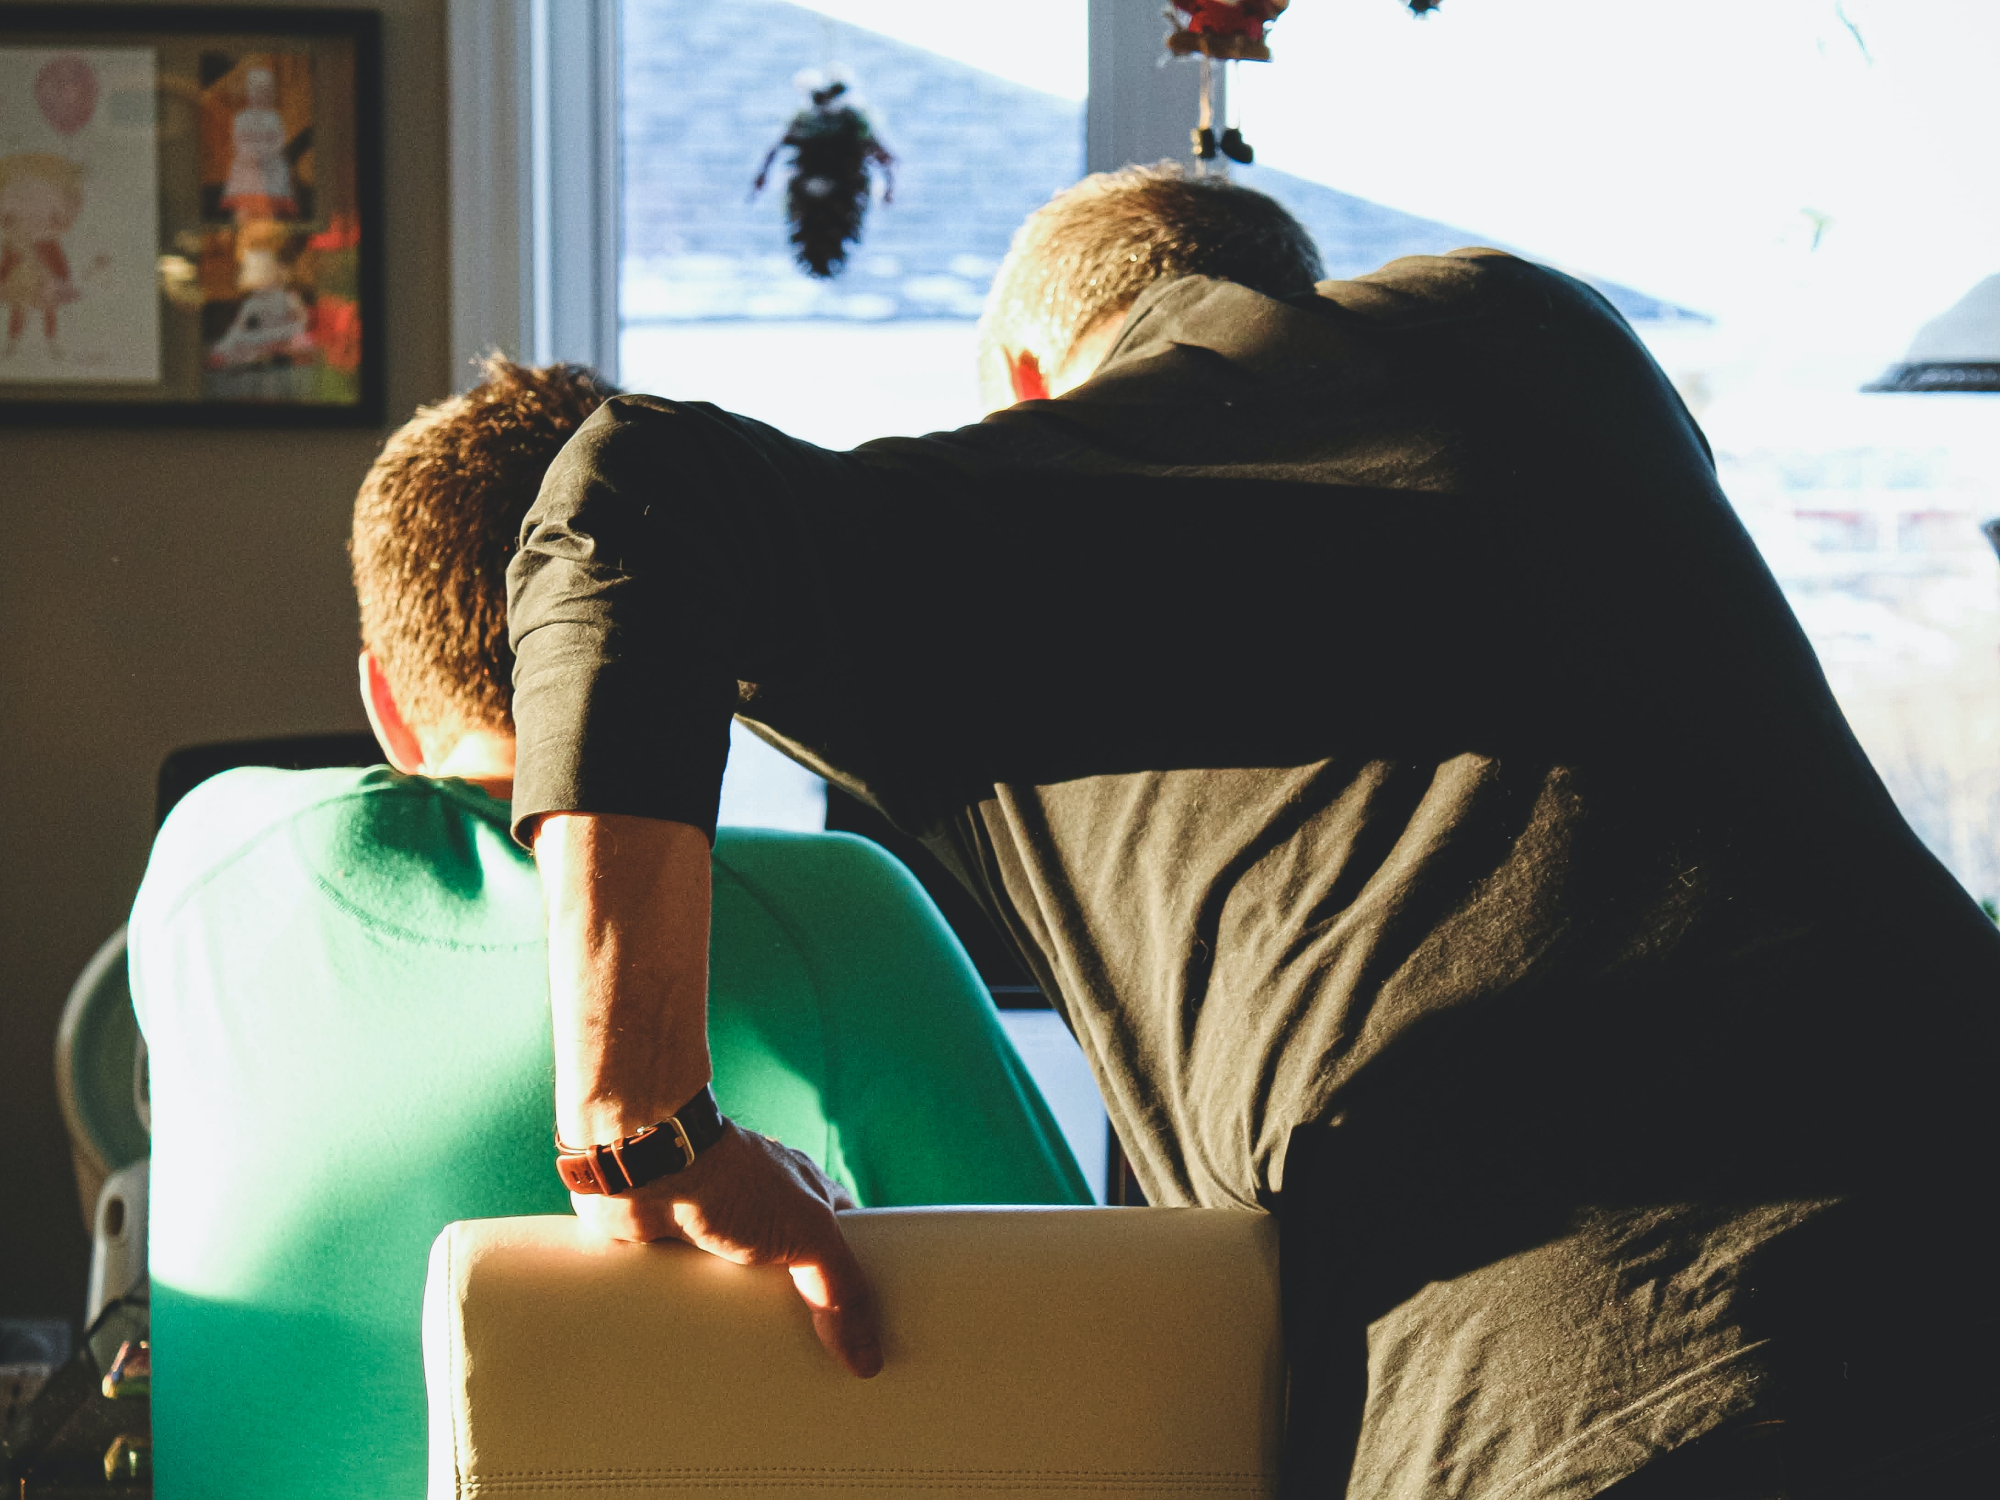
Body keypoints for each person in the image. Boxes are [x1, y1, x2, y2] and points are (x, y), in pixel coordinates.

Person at [508, 166, 2000, 1498]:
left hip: (1608, 1371)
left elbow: (633, 493)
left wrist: (641, 1125)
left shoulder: (1025, 505)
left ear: (1028, 386)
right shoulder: (1544, 331)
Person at [127, 358, 1088, 1500]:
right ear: (686, 667)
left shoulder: (203, 856)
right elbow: (1090, 1321)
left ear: (384, 701)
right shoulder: (836, 912)